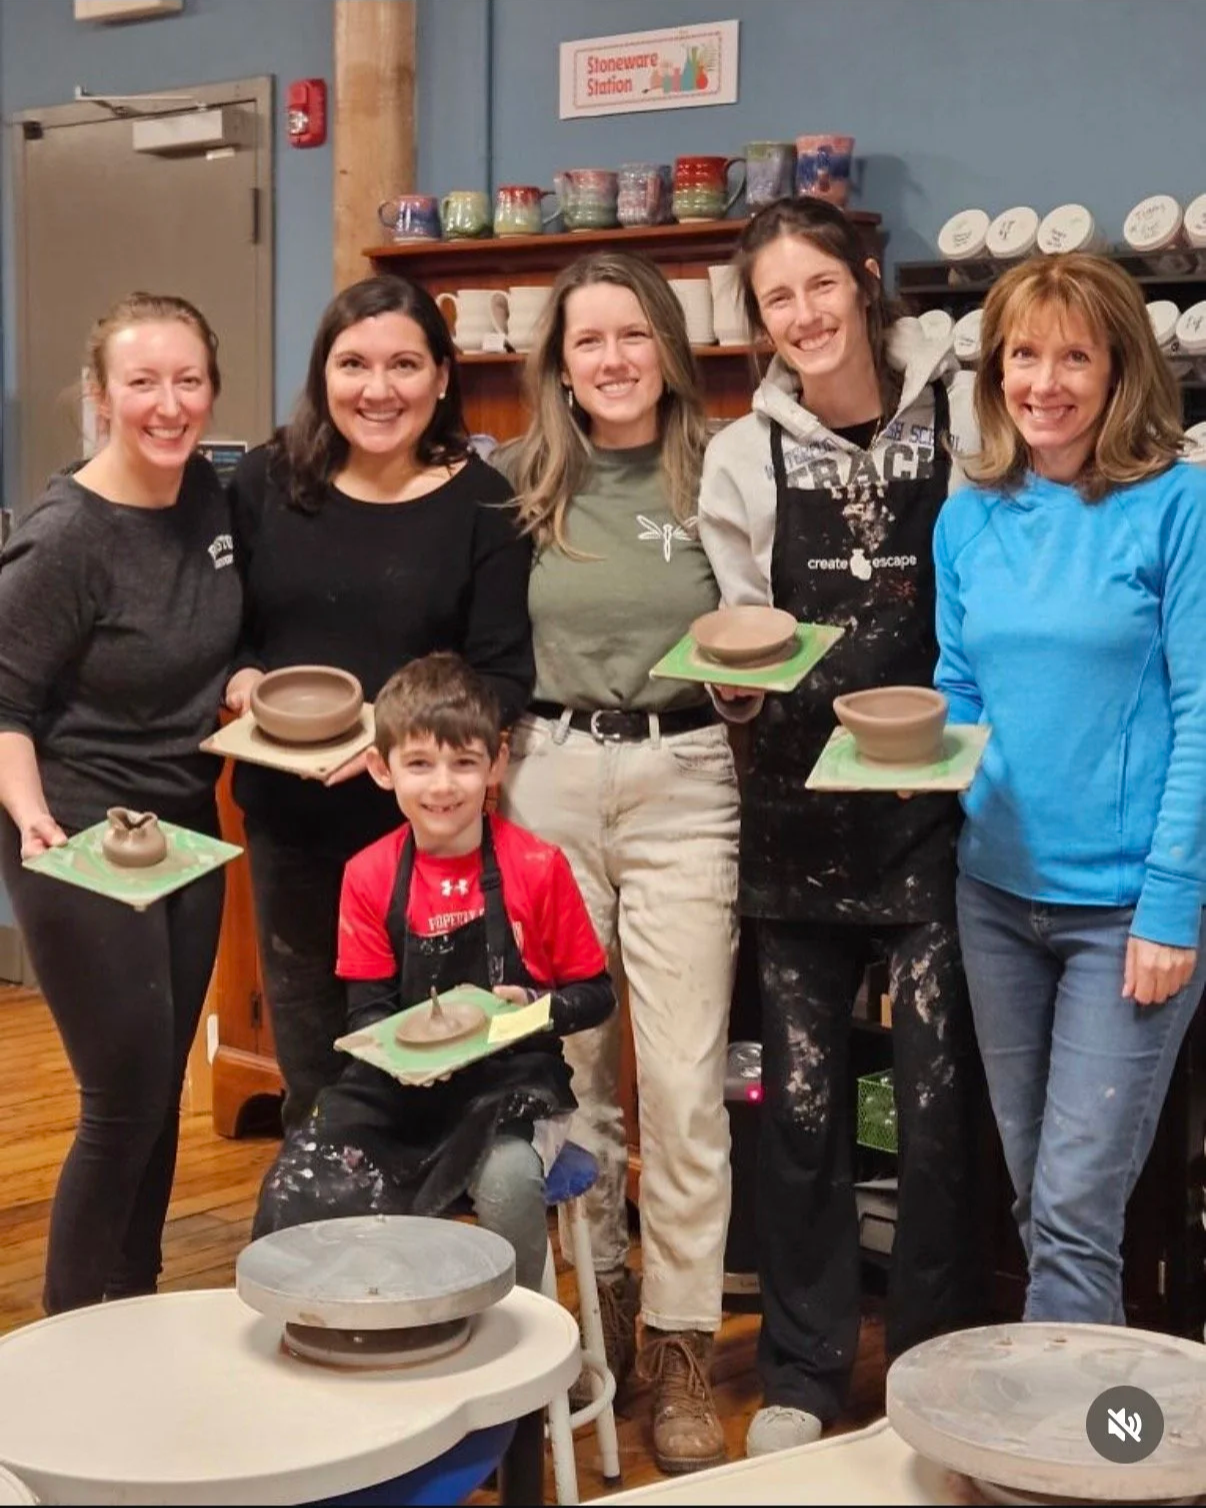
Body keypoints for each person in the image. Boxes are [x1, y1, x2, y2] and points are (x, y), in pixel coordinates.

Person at [696, 196, 984, 1456]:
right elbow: (739, 617)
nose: (804, 316)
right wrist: (724, 676)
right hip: (798, 806)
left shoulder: (961, 404)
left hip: (934, 800)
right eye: (777, 301)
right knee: (804, 1106)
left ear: (866, 279)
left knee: (934, 1103)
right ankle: (805, 1371)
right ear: (757, 321)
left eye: (820, 285)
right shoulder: (739, 453)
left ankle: (930, 1368)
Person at [497, 251, 739, 1474]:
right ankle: (593, 1307)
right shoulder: (524, 481)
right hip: (549, 771)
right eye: (587, 341)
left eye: (632, 336)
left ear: (669, 346)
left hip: (687, 777)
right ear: (561, 363)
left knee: (686, 1079)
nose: (612, 360)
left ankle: (683, 1341)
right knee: (570, 1066)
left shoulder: (723, 466)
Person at [934, 251, 1206, 1324]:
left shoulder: (1176, 504)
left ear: (1119, 369)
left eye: (1075, 355)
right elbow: (962, 680)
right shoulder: (970, 516)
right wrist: (921, 751)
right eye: (1023, 353)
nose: (1045, 380)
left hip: (1127, 916)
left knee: (1076, 1208)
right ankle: (1074, 1442)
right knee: (1036, 1196)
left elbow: (1202, 712)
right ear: (994, 368)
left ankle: (1077, 1464)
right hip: (995, 897)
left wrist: (1173, 905)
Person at [225, 275, 534, 1130]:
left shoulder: (485, 503)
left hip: (428, 833)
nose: (378, 388)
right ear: (324, 373)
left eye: (404, 364)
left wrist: (417, 750)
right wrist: (241, 676)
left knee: (437, 1066)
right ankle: (327, 1228)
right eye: (353, 363)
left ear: (442, 377)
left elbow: (504, 671)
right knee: (318, 1075)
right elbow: (225, 628)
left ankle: (436, 1240)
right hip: (291, 822)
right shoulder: (264, 482)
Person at [0, 292, 240, 1313]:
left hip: (184, 819)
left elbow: (228, 631)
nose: (168, 402)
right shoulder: (65, 536)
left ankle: (131, 1302)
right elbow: (3, 701)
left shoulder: (209, 501)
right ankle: (64, 1347)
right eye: (143, 381)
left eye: (188, 379)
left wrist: (246, 679)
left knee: (162, 1092)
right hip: (81, 824)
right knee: (124, 1095)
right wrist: (31, 819)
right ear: (100, 397)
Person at [253, 652, 614, 1290]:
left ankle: (517, 1358)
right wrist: (413, 1048)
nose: (442, 786)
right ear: (381, 769)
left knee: (504, 1182)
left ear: (495, 765)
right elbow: (367, 1016)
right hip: (400, 1085)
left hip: (514, 1083)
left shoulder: (537, 866)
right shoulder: (368, 874)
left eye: (463, 763)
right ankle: (345, 1340)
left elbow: (596, 994)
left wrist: (536, 1007)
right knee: (298, 1176)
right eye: (419, 764)